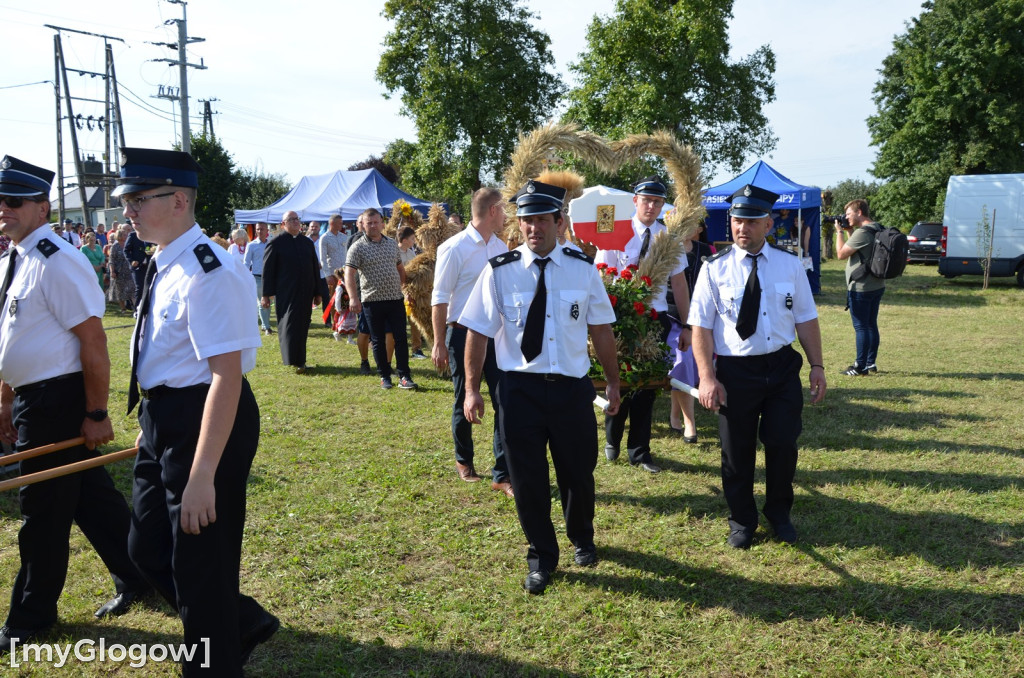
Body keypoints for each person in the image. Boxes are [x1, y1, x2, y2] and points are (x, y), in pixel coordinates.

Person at [115, 147, 278, 675]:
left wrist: (203, 473)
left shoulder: (210, 269)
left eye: (139, 199)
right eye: (128, 200)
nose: (128, 210)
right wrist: (154, 426)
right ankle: (241, 622)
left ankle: (214, 658)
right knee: (146, 548)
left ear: (179, 199)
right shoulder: (168, 261)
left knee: (200, 569)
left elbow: (226, 377)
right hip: (166, 418)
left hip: (207, 418)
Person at [0, 155, 149, 652]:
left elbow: (92, 342)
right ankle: (140, 575)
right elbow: (14, 338)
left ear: (42, 207)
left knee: (42, 510)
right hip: (31, 399)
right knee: (91, 499)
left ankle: (31, 617)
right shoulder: (14, 259)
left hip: (59, 401)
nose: (3, 210)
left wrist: (96, 412)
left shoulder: (56, 261)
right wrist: (5, 400)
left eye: (14, 202)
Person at [459, 180, 622, 594]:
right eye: (527, 220)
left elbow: (601, 329)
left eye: (542, 220)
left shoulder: (583, 269)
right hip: (519, 391)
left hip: (571, 389)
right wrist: (472, 389)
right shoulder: (498, 272)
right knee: (528, 479)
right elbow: (478, 332)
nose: (534, 227)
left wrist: (615, 382)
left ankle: (581, 537)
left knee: (578, 472)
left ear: (559, 222)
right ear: (520, 224)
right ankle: (541, 555)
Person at [688, 183, 827, 549]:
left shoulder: (789, 265)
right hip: (735, 372)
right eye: (736, 221)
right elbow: (700, 327)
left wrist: (817, 365)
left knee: (783, 444)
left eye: (751, 221)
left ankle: (779, 513)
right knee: (737, 453)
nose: (742, 228)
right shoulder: (713, 270)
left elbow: (806, 318)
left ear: (768, 224)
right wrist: (706, 377)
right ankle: (742, 520)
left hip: (781, 368)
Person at [594, 176, 690, 474]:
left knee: (649, 385)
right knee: (619, 380)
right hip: (621, 317)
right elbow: (600, 274)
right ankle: (612, 437)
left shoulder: (669, 238)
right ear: (634, 201)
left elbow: (680, 283)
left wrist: (687, 325)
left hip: (655, 317)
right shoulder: (616, 231)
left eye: (657, 202)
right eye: (646, 200)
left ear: (663, 206)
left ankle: (640, 451)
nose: (651, 206)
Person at [431, 187, 512, 495]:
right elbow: (439, 299)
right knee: (464, 396)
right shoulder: (455, 247)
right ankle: (464, 461)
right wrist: (439, 341)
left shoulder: (502, 246)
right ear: (492, 210)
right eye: (503, 209)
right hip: (462, 333)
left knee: (504, 398)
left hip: (496, 333)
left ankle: (502, 473)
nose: (506, 215)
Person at [344, 208, 417, 390]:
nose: (374, 226)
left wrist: (401, 287)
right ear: (363, 225)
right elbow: (349, 273)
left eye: (376, 222)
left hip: (394, 299)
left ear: (382, 224)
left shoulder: (392, 244)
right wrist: (353, 298)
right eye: (369, 223)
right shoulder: (357, 247)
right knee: (377, 340)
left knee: (400, 338)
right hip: (372, 301)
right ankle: (384, 376)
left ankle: (404, 376)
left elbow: (400, 268)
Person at [668, 221, 713, 442]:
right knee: (683, 361)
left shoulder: (705, 251)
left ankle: (674, 416)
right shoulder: (666, 247)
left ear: (699, 228)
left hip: (701, 317)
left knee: (690, 366)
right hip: (672, 318)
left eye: (692, 222)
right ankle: (689, 423)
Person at [261, 211, 321, 373]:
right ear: (283, 224)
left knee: (303, 324)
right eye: (291, 220)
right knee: (289, 324)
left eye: (297, 219)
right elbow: (268, 270)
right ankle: (292, 359)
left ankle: (300, 359)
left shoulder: (307, 243)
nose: (296, 222)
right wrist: (266, 295)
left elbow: (315, 268)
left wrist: (317, 292)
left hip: (306, 290)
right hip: (286, 291)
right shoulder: (276, 243)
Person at [835, 199, 884, 376]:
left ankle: (860, 366)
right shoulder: (877, 227)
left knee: (861, 327)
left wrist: (839, 232)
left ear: (859, 212)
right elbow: (858, 250)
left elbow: (841, 254)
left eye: (849, 214)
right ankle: (871, 362)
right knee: (871, 324)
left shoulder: (863, 232)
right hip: (876, 284)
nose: (846, 217)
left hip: (861, 287)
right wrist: (849, 232)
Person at [397, 226, 426, 358]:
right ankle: (400, 348)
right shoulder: (394, 252)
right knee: (399, 322)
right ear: (404, 240)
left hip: (410, 292)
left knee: (414, 321)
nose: (414, 241)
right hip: (397, 292)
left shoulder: (411, 252)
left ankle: (416, 348)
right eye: (412, 239)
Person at [318, 215, 348, 338]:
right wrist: (327, 275)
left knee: (346, 299)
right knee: (335, 300)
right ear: (332, 224)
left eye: (341, 223)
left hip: (345, 273)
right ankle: (335, 324)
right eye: (339, 223)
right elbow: (323, 258)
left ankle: (346, 324)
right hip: (333, 274)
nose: (341, 225)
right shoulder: (324, 238)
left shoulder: (344, 237)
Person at [243, 222, 273, 334]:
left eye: (262, 229)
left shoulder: (271, 244)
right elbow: (246, 263)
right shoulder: (251, 245)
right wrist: (245, 277)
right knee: (262, 302)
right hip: (257, 277)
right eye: (258, 229)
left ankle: (266, 323)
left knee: (269, 302)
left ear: (267, 231)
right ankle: (266, 326)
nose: (260, 231)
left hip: (270, 278)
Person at [107, 225, 136, 313]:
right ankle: (123, 308)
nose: (126, 236)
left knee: (132, 289)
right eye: (124, 235)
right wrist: (112, 271)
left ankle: (135, 307)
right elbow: (111, 260)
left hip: (128, 270)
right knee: (120, 291)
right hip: (118, 271)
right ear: (119, 236)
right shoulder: (115, 246)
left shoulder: (128, 244)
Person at [123, 219, 151, 308]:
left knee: (150, 286)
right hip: (137, 266)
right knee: (140, 287)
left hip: (149, 265)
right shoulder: (133, 235)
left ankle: (147, 307)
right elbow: (126, 250)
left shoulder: (150, 235)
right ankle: (137, 309)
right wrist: (131, 261)